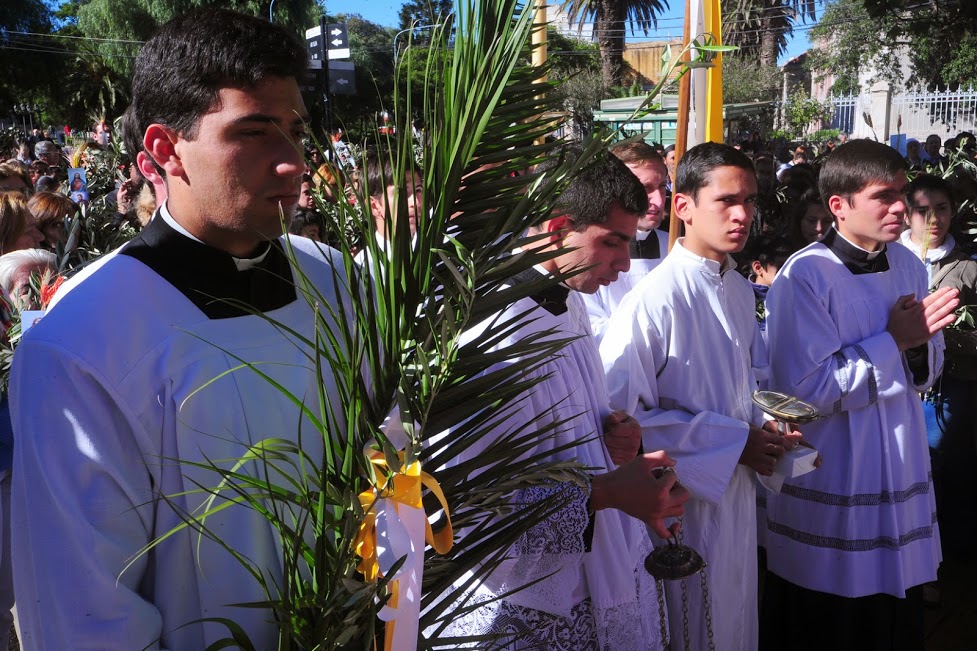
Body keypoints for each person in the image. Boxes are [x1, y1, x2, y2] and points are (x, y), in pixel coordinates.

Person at [9, 9, 353, 649]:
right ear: (165, 150)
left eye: (294, 130)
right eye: (254, 132)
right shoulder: (83, 339)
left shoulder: (334, 281)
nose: (291, 162)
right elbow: (84, 611)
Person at [443, 150, 689, 650]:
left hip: (587, 573)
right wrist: (608, 493)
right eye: (613, 242)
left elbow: (570, 426)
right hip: (518, 603)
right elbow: (466, 509)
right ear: (557, 229)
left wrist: (615, 439)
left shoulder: (568, 298)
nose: (625, 263)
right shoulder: (487, 330)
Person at [761, 140, 959, 651]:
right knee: (835, 620)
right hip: (840, 471)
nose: (900, 208)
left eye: (901, 194)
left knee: (896, 614)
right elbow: (802, 392)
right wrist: (896, 341)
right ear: (838, 205)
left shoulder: (909, 265)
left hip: (899, 456)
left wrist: (917, 352)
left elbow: (924, 373)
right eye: (883, 197)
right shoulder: (805, 276)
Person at [601, 142, 799, 651]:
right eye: (726, 201)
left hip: (733, 496)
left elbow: (740, 384)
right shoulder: (654, 299)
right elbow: (621, 422)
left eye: (750, 201)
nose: (743, 215)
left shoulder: (736, 287)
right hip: (678, 504)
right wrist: (735, 442)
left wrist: (766, 426)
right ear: (683, 207)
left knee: (734, 620)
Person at [898, 175, 977, 565]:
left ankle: (940, 556)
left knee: (943, 463)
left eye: (942, 209)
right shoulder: (888, 261)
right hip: (896, 384)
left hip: (950, 386)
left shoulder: (968, 267)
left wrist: (944, 337)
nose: (933, 219)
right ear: (908, 213)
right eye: (923, 210)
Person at [583, 141, 669, 342]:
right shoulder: (588, 254)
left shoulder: (675, 248)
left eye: (662, 187)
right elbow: (591, 329)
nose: (657, 201)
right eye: (645, 188)